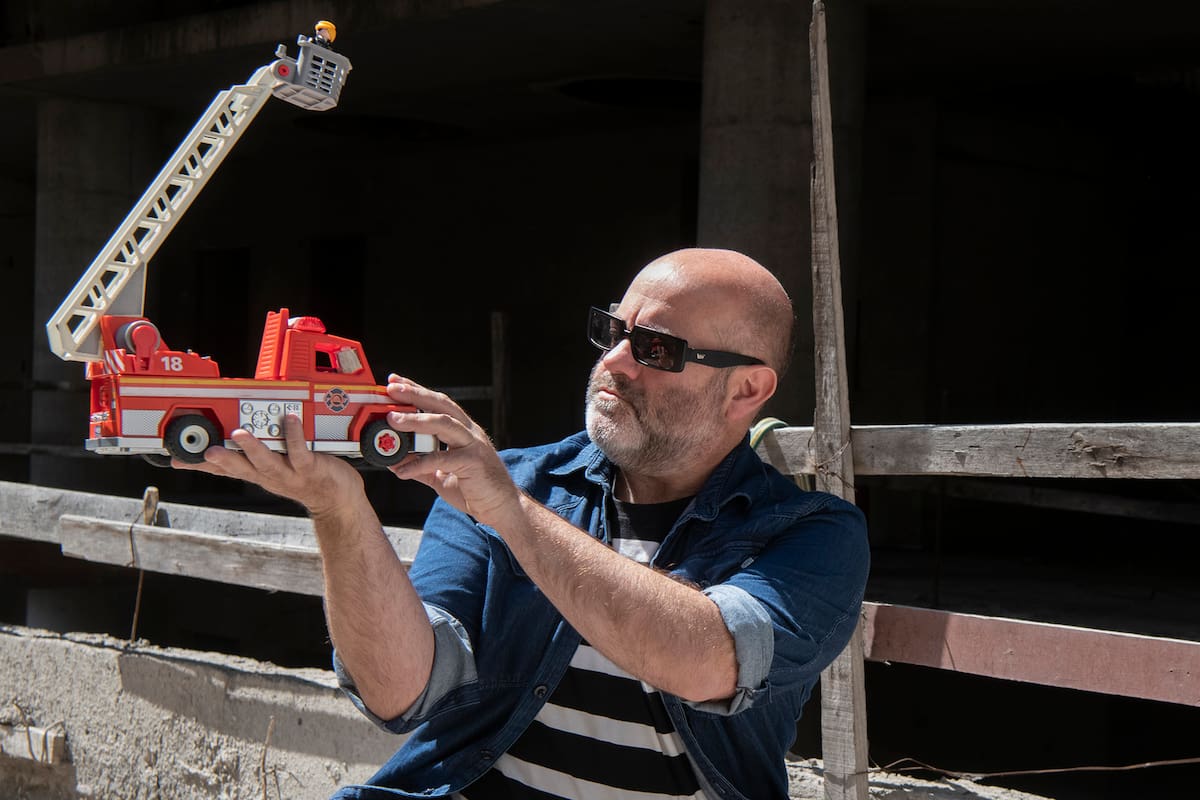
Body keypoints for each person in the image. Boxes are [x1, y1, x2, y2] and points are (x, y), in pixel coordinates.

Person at [178, 248, 869, 800]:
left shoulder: (812, 533)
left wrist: (511, 513)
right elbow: (402, 693)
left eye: (656, 350)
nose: (614, 362)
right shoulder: (518, 482)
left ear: (747, 388)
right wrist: (339, 509)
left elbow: (706, 660)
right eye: (614, 331)